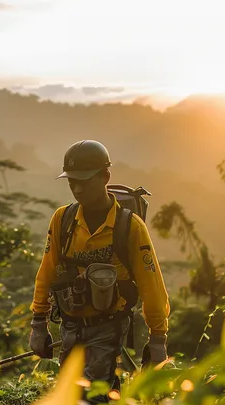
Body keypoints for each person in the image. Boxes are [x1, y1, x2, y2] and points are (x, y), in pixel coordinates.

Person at [29, 140, 171, 392]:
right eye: (72, 181)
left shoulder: (130, 227)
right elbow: (47, 271)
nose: (77, 188)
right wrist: (38, 324)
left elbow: (152, 285)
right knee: (75, 390)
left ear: (105, 176)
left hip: (108, 325)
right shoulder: (63, 220)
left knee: (88, 393)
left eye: (84, 181)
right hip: (70, 326)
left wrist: (158, 337)